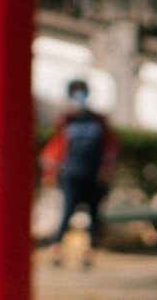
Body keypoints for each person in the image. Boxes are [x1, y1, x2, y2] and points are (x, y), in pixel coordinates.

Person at [40, 78, 120, 265]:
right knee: (67, 211)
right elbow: (55, 148)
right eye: (75, 92)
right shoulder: (66, 120)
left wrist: (106, 171)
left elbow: (110, 148)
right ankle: (57, 249)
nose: (79, 95)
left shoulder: (98, 120)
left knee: (93, 214)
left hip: (93, 175)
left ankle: (88, 252)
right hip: (70, 174)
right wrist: (50, 173)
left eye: (81, 91)